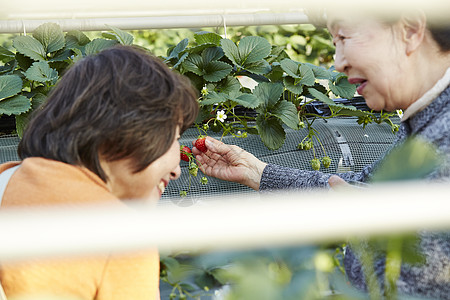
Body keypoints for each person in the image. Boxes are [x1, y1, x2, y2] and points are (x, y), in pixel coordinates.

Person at [192, 10, 450, 299]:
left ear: (410, 31)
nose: (338, 62)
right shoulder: (426, 121)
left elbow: (412, 285)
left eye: (343, 36)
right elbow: (363, 186)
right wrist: (259, 173)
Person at [0, 45, 199, 299]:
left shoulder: (5, 179)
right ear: (128, 130)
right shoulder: (121, 237)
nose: (176, 171)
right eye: (174, 137)